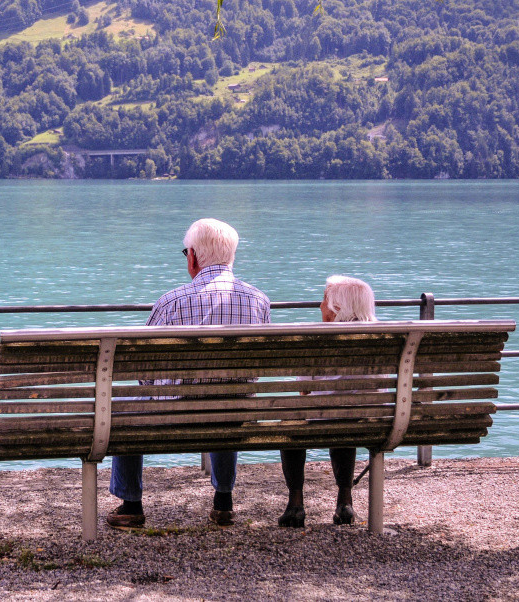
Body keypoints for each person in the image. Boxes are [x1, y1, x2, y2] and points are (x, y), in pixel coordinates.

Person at [107, 218, 271, 530]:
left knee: (125, 409)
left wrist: (155, 390)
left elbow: (140, 366)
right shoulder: (258, 301)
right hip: (235, 414)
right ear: (231, 256)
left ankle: (131, 505)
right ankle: (223, 502)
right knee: (229, 396)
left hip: (176, 415)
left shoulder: (171, 302)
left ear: (193, 256)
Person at [278, 275, 377, 528]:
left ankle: (295, 504)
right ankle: (345, 501)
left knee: (292, 418)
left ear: (337, 309)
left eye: (325, 300)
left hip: (323, 418)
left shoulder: (315, 339)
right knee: (348, 414)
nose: (320, 306)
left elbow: (304, 391)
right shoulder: (382, 337)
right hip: (369, 422)